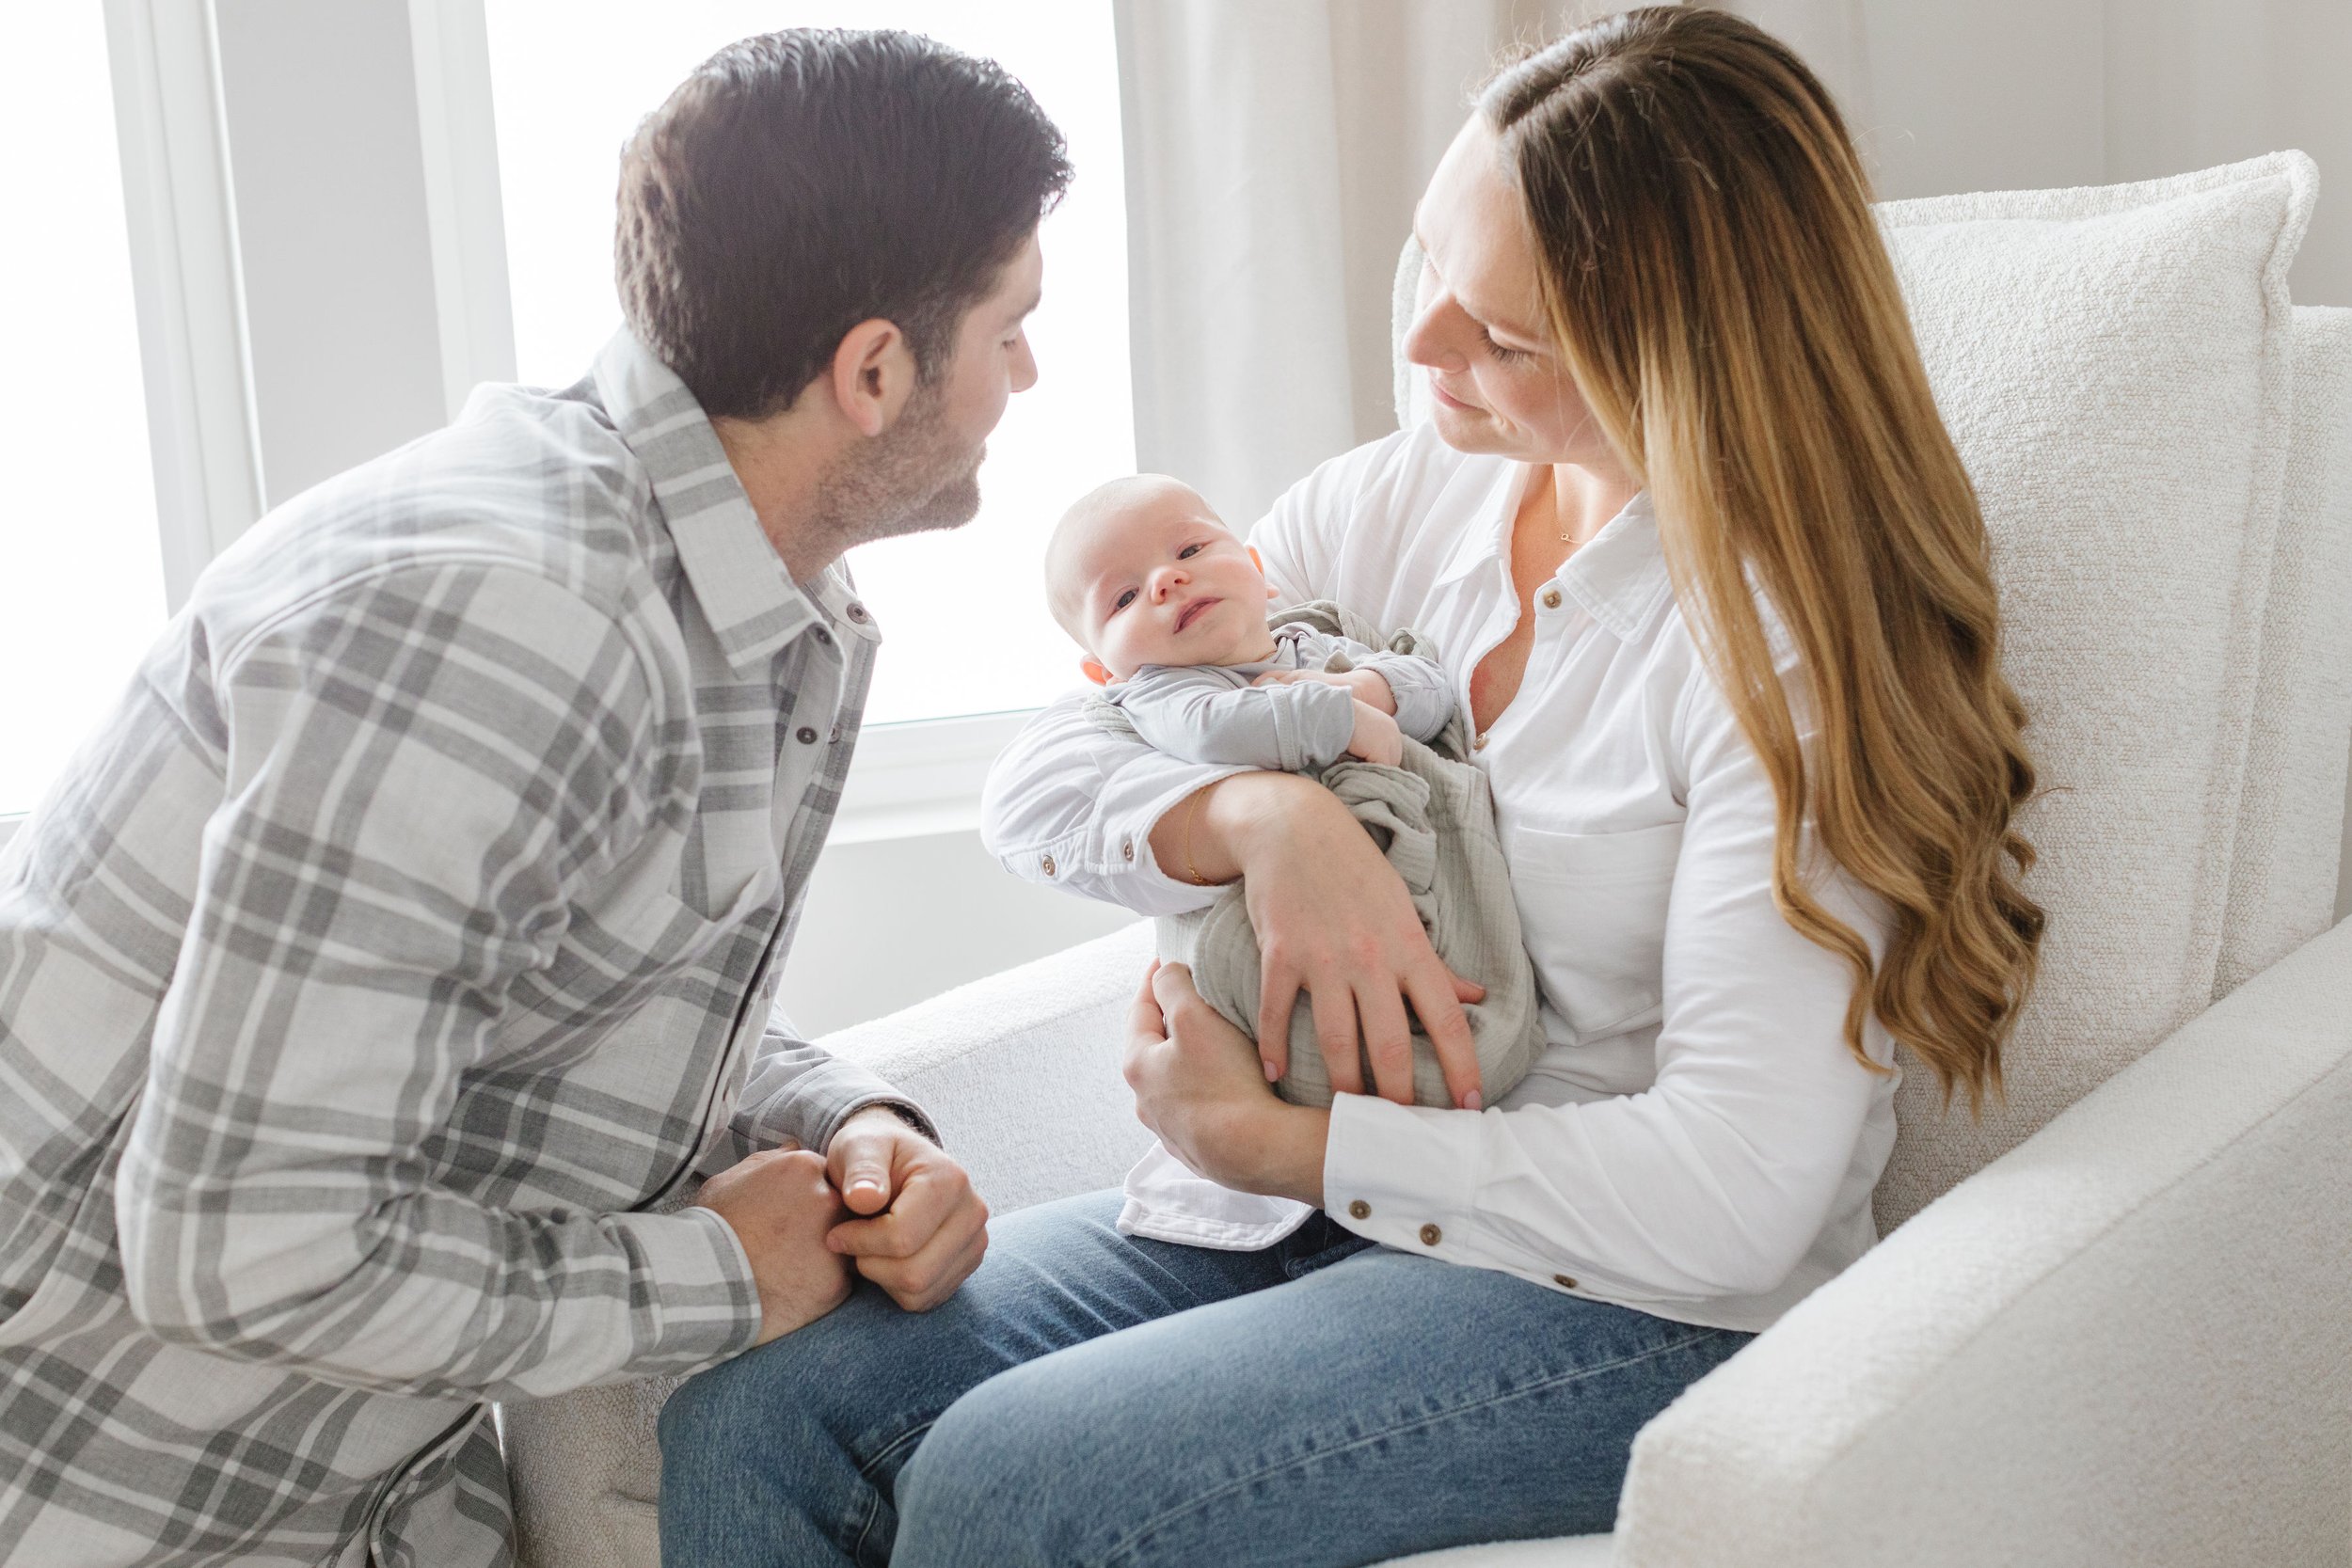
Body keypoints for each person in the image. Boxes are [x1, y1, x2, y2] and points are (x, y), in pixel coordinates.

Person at [656, 9, 2045, 1566]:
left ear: (1683, 366)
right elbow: (1059, 765)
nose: (1426, 346)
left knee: (1010, 1483)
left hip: (1631, 1296)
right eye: (1431, 269)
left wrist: (1288, 1147)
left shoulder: (1785, 652)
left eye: (1502, 336)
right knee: (756, 1415)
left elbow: (1735, 1192)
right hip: (1290, 1224)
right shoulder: (1392, 503)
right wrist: (1266, 816)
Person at [0, 29, 1066, 1568]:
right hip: (116, 1510)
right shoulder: (510, 624)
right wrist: (719, 1273)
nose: (1028, 380)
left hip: (370, 1499)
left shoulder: (752, 599)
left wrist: (851, 1122)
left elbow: (561, 991)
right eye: (1013, 329)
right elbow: (240, 1247)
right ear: (874, 370)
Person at [1046, 473, 1451, 772]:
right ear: (1104, 673)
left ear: (1258, 571)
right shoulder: (1159, 695)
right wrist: (1346, 718)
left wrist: (1364, 688)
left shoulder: (1314, 644)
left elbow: (1435, 694)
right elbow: (1214, 729)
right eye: (1125, 598)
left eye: (1189, 550)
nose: (1166, 580)